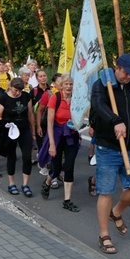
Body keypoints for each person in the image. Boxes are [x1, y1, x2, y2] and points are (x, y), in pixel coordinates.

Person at [90, 54, 130, 254]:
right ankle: (104, 234)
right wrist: (115, 120)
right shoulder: (102, 85)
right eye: (126, 72)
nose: (129, 77)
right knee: (106, 191)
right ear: (117, 67)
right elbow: (98, 107)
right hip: (107, 148)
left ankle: (116, 212)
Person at [40, 74, 81, 212]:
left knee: (69, 167)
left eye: (71, 84)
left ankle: (67, 200)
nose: (69, 86)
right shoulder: (55, 98)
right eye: (66, 84)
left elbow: (81, 116)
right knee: (56, 169)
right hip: (57, 135)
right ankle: (47, 182)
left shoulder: (77, 98)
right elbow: (50, 124)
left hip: (71, 136)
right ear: (61, 86)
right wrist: (51, 144)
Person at [0, 77, 36, 197]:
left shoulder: (26, 96)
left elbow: (30, 114)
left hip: (24, 129)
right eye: (15, 90)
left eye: (20, 90)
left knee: (27, 156)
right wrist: (5, 123)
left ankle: (25, 184)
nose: (17, 93)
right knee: (11, 156)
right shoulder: (4, 98)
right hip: (11, 130)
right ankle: (11, 183)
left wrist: (33, 131)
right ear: (10, 87)